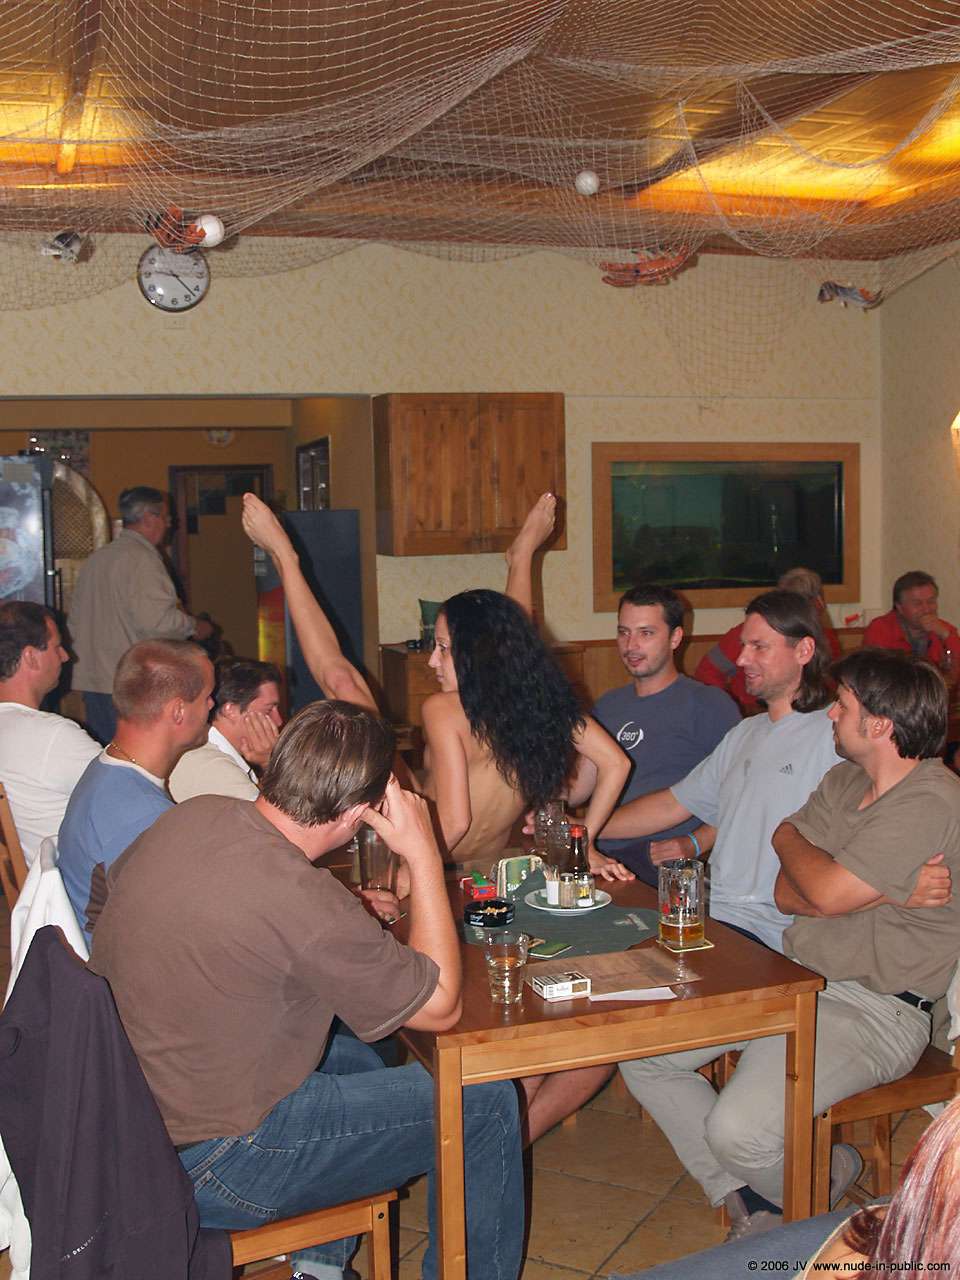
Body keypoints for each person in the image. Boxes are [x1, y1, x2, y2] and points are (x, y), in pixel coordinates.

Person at [88, 701, 523, 1280]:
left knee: (355, 1056)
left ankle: (319, 1269)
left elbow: (100, 902)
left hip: (126, 1121)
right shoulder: (303, 898)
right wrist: (423, 852)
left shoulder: (195, 814)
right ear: (361, 813)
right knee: (484, 1102)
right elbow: (440, 1006)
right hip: (215, 1162)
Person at [620, 646, 960, 1241]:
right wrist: (865, 887)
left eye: (843, 705)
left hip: (877, 1007)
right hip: (793, 978)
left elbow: (821, 891)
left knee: (738, 1131)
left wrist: (819, 871)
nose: (831, 713)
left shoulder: (932, 798)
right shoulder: (844, 779)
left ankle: (794, 1195)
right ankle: (770, 1196)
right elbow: (787, 893)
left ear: (880, 724)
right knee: (645, 1055)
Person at [240, 491, 630, 874]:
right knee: (506, 651)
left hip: (431, 856)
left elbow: (455, 822)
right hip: (489, 865)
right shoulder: (538, 699)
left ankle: (286, 558)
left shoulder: (443, 709)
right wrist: (585, 842)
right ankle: (522, 556)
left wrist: (412, 874)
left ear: (473, 655)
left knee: (341, 682)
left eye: (443, 648)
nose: (431, 661)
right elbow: (615, 762)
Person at [569, 584, 740, 886]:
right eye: (623, 632)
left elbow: (744, 792)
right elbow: (578, 786)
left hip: (660, 862)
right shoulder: (609, 704)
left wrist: (696, 842)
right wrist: (545, 807)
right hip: (597, 850)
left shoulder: (708, 704)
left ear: (675, 638)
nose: (631, 645)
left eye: (646, 633)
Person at [58, 638, 214, 942]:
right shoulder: (142, 815)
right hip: (114, 964)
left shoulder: (105, 769)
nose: (212, 705)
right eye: (207, 696)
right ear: (178, 711)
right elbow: (173, 930)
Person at [69, 486, 214, 744]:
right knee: (134, 755)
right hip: (128, 683)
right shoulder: (142, 559)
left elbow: (75, 620)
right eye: (166, 517)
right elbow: (158, 622)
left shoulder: (98, 558)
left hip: (94, 679)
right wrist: (194, 626)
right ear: (149, 518)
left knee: (108, 752)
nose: (169, 524)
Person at [0, 601, 99, 865]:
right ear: (31, 657)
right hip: (73, 884)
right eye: (57, 647)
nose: (65, 656)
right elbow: (131, 795)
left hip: (31, 884)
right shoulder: (53, 737)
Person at [695, 567, 841, 715]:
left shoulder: (825, 637)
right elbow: (706, 672)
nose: (742, 660)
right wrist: (733, 708)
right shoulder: (745, 633)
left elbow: (831, 685)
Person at [168, 656, 282, 802]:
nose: (278, 721)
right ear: (230, 710)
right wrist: (270, 764)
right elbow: (273, 815)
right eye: (268, 710)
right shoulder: (213, 766)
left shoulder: (203, 752)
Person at [864, 570, 960, 682]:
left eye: (931, 601)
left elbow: (955, 676)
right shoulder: (880, 629)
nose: (926, 609)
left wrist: (947, 635)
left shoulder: (944, 629)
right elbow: (875, 677)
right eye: (917, 603)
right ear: (899, 607)